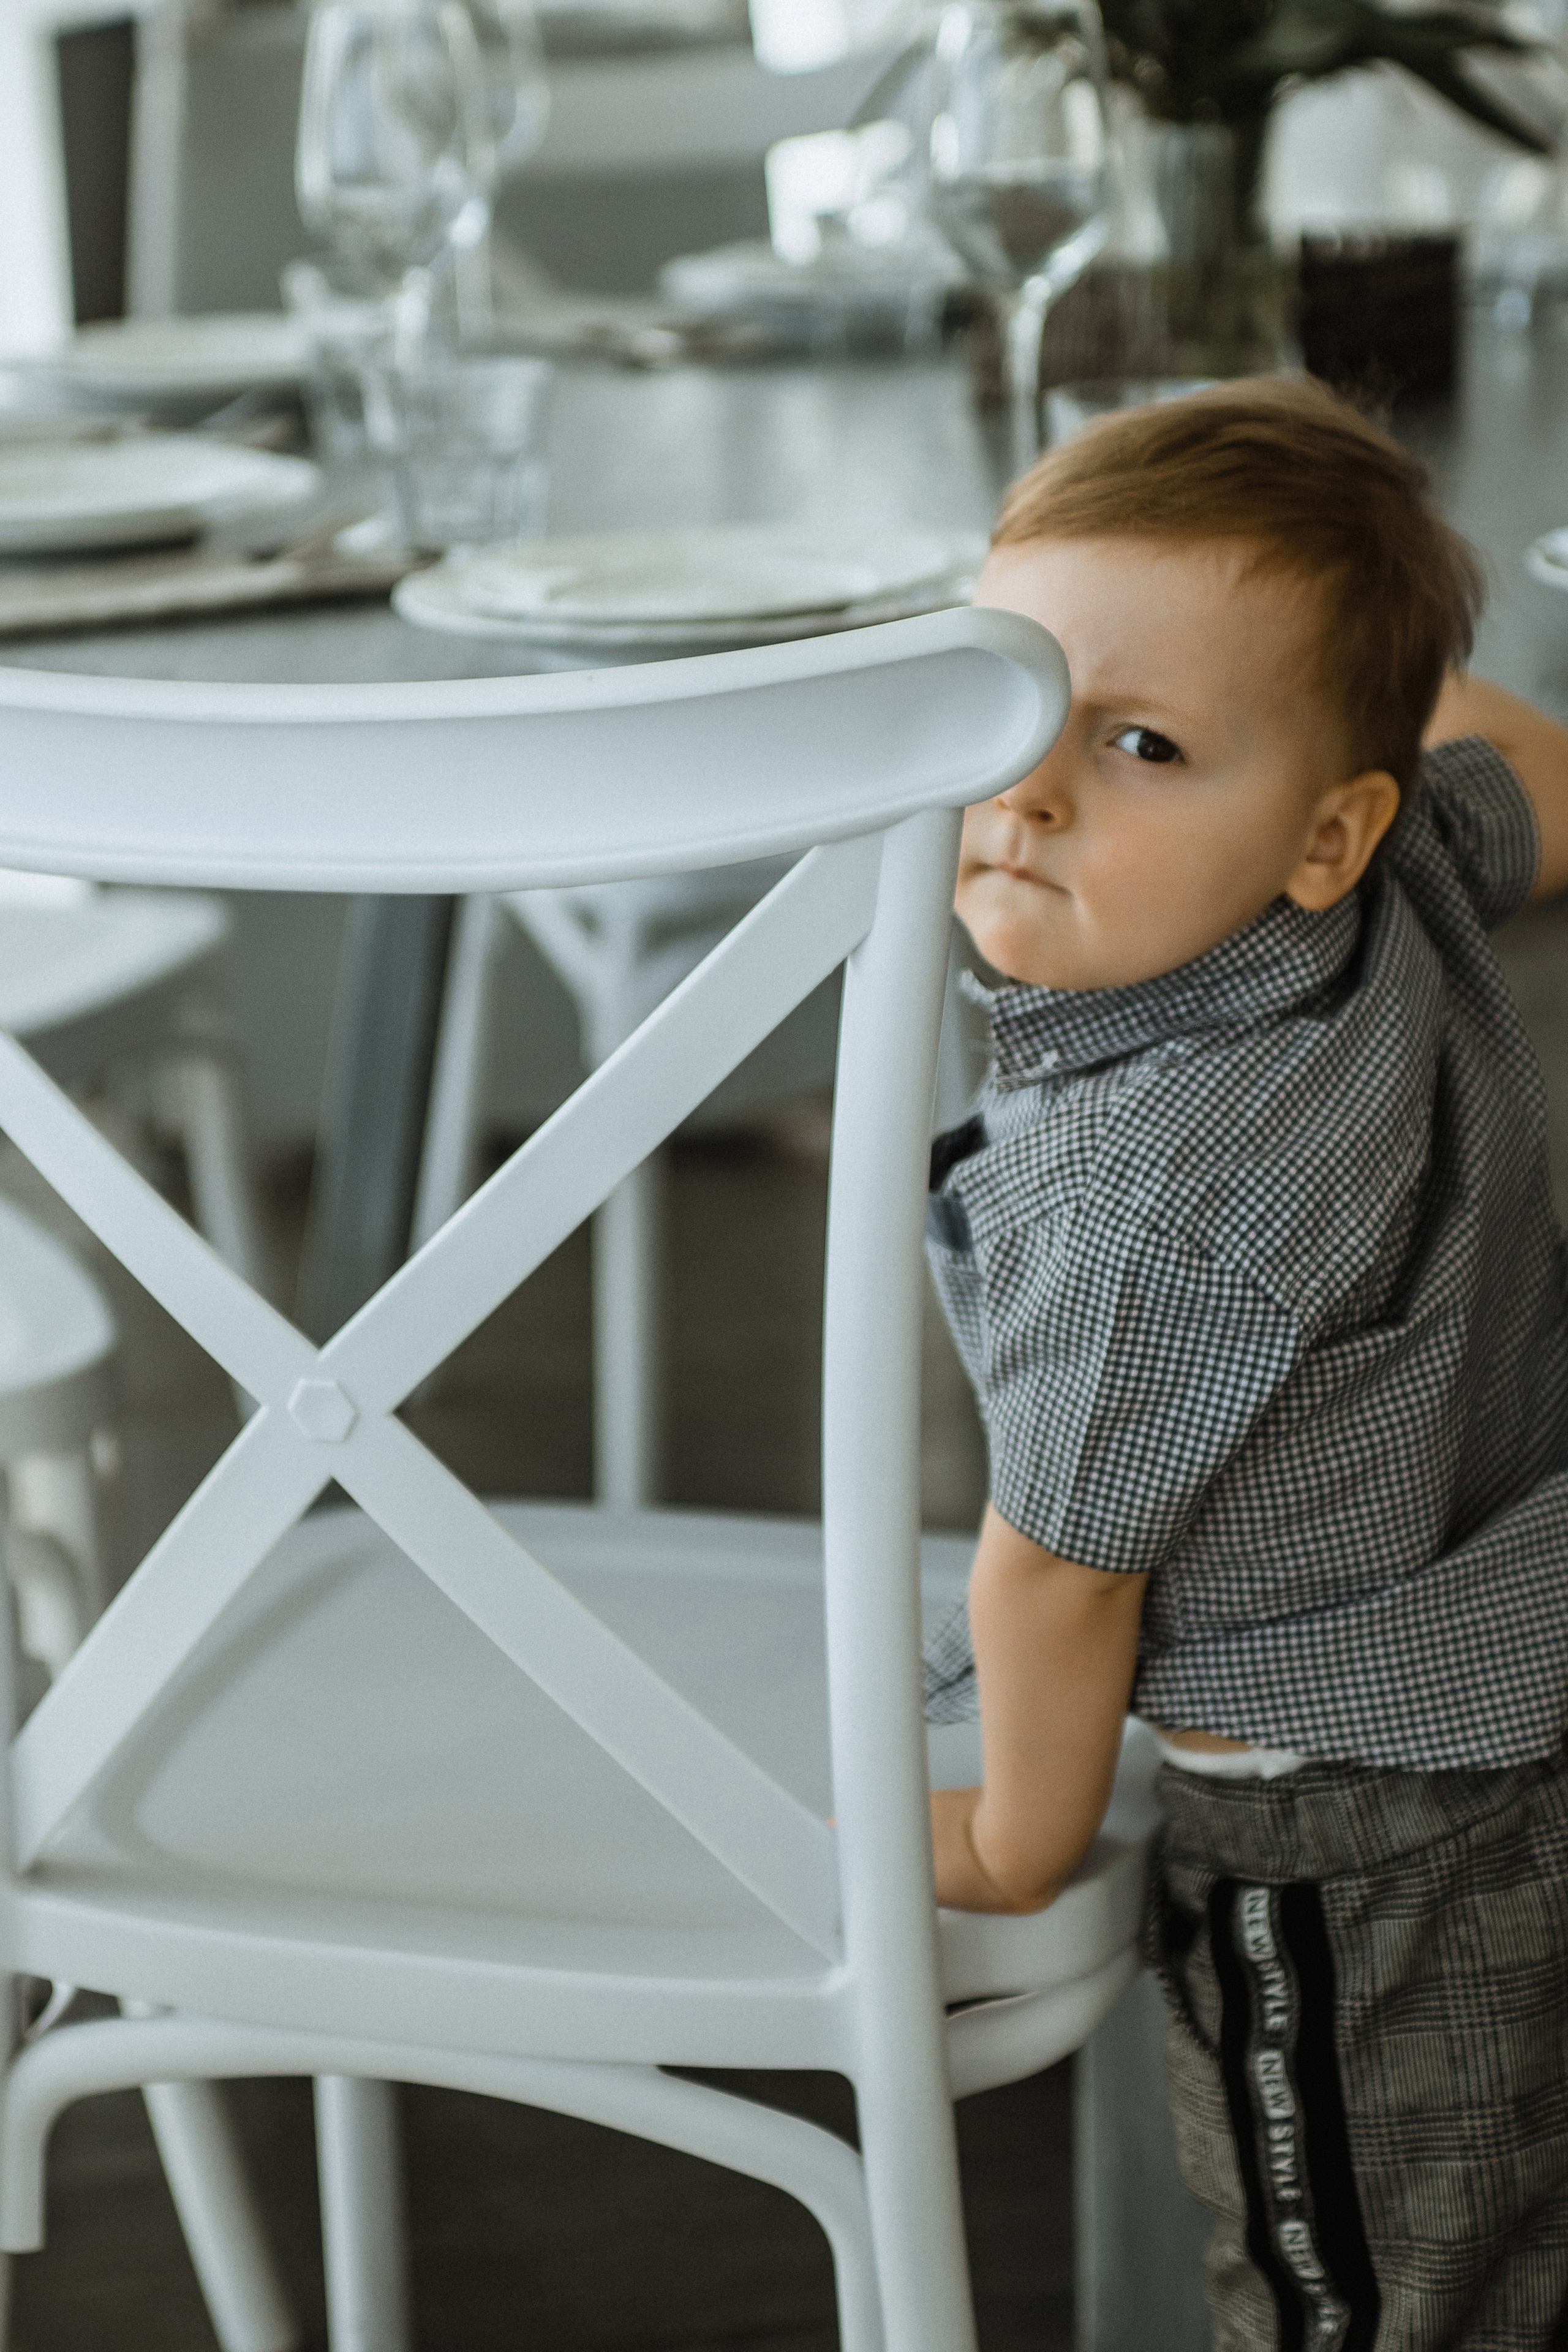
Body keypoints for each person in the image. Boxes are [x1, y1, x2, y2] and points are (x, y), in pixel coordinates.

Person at [922, 374, 1568, 2350]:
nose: (1030, 793)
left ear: (1319, 830)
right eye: (999, 703)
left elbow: (1061, 1572)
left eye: (1136, 745)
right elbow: (1533, 756)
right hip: (1501, 1662)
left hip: (1337, 1825)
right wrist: (1331, 663)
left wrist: (1018, 1840)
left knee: (1361, 2277)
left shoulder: (1157, 1195)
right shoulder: (1399, 877)